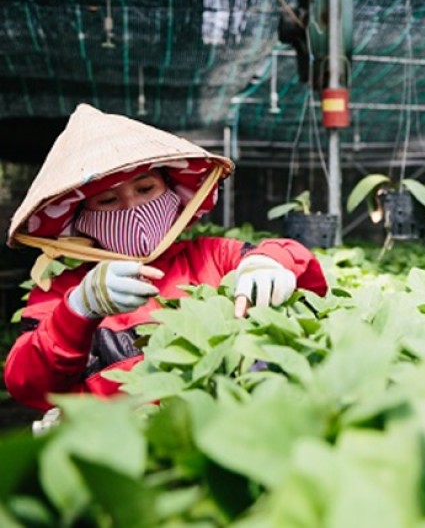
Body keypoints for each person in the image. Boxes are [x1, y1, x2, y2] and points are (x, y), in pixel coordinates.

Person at [3, 104, 328, 411]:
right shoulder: (63, 291)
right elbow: (27, 385)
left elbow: (304, 272)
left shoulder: (213, 255)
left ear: (173, 195)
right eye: (107, 200)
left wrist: (269, 263)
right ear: (80, 218)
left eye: (145, 190)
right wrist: (78, 310)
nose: (132, 210)